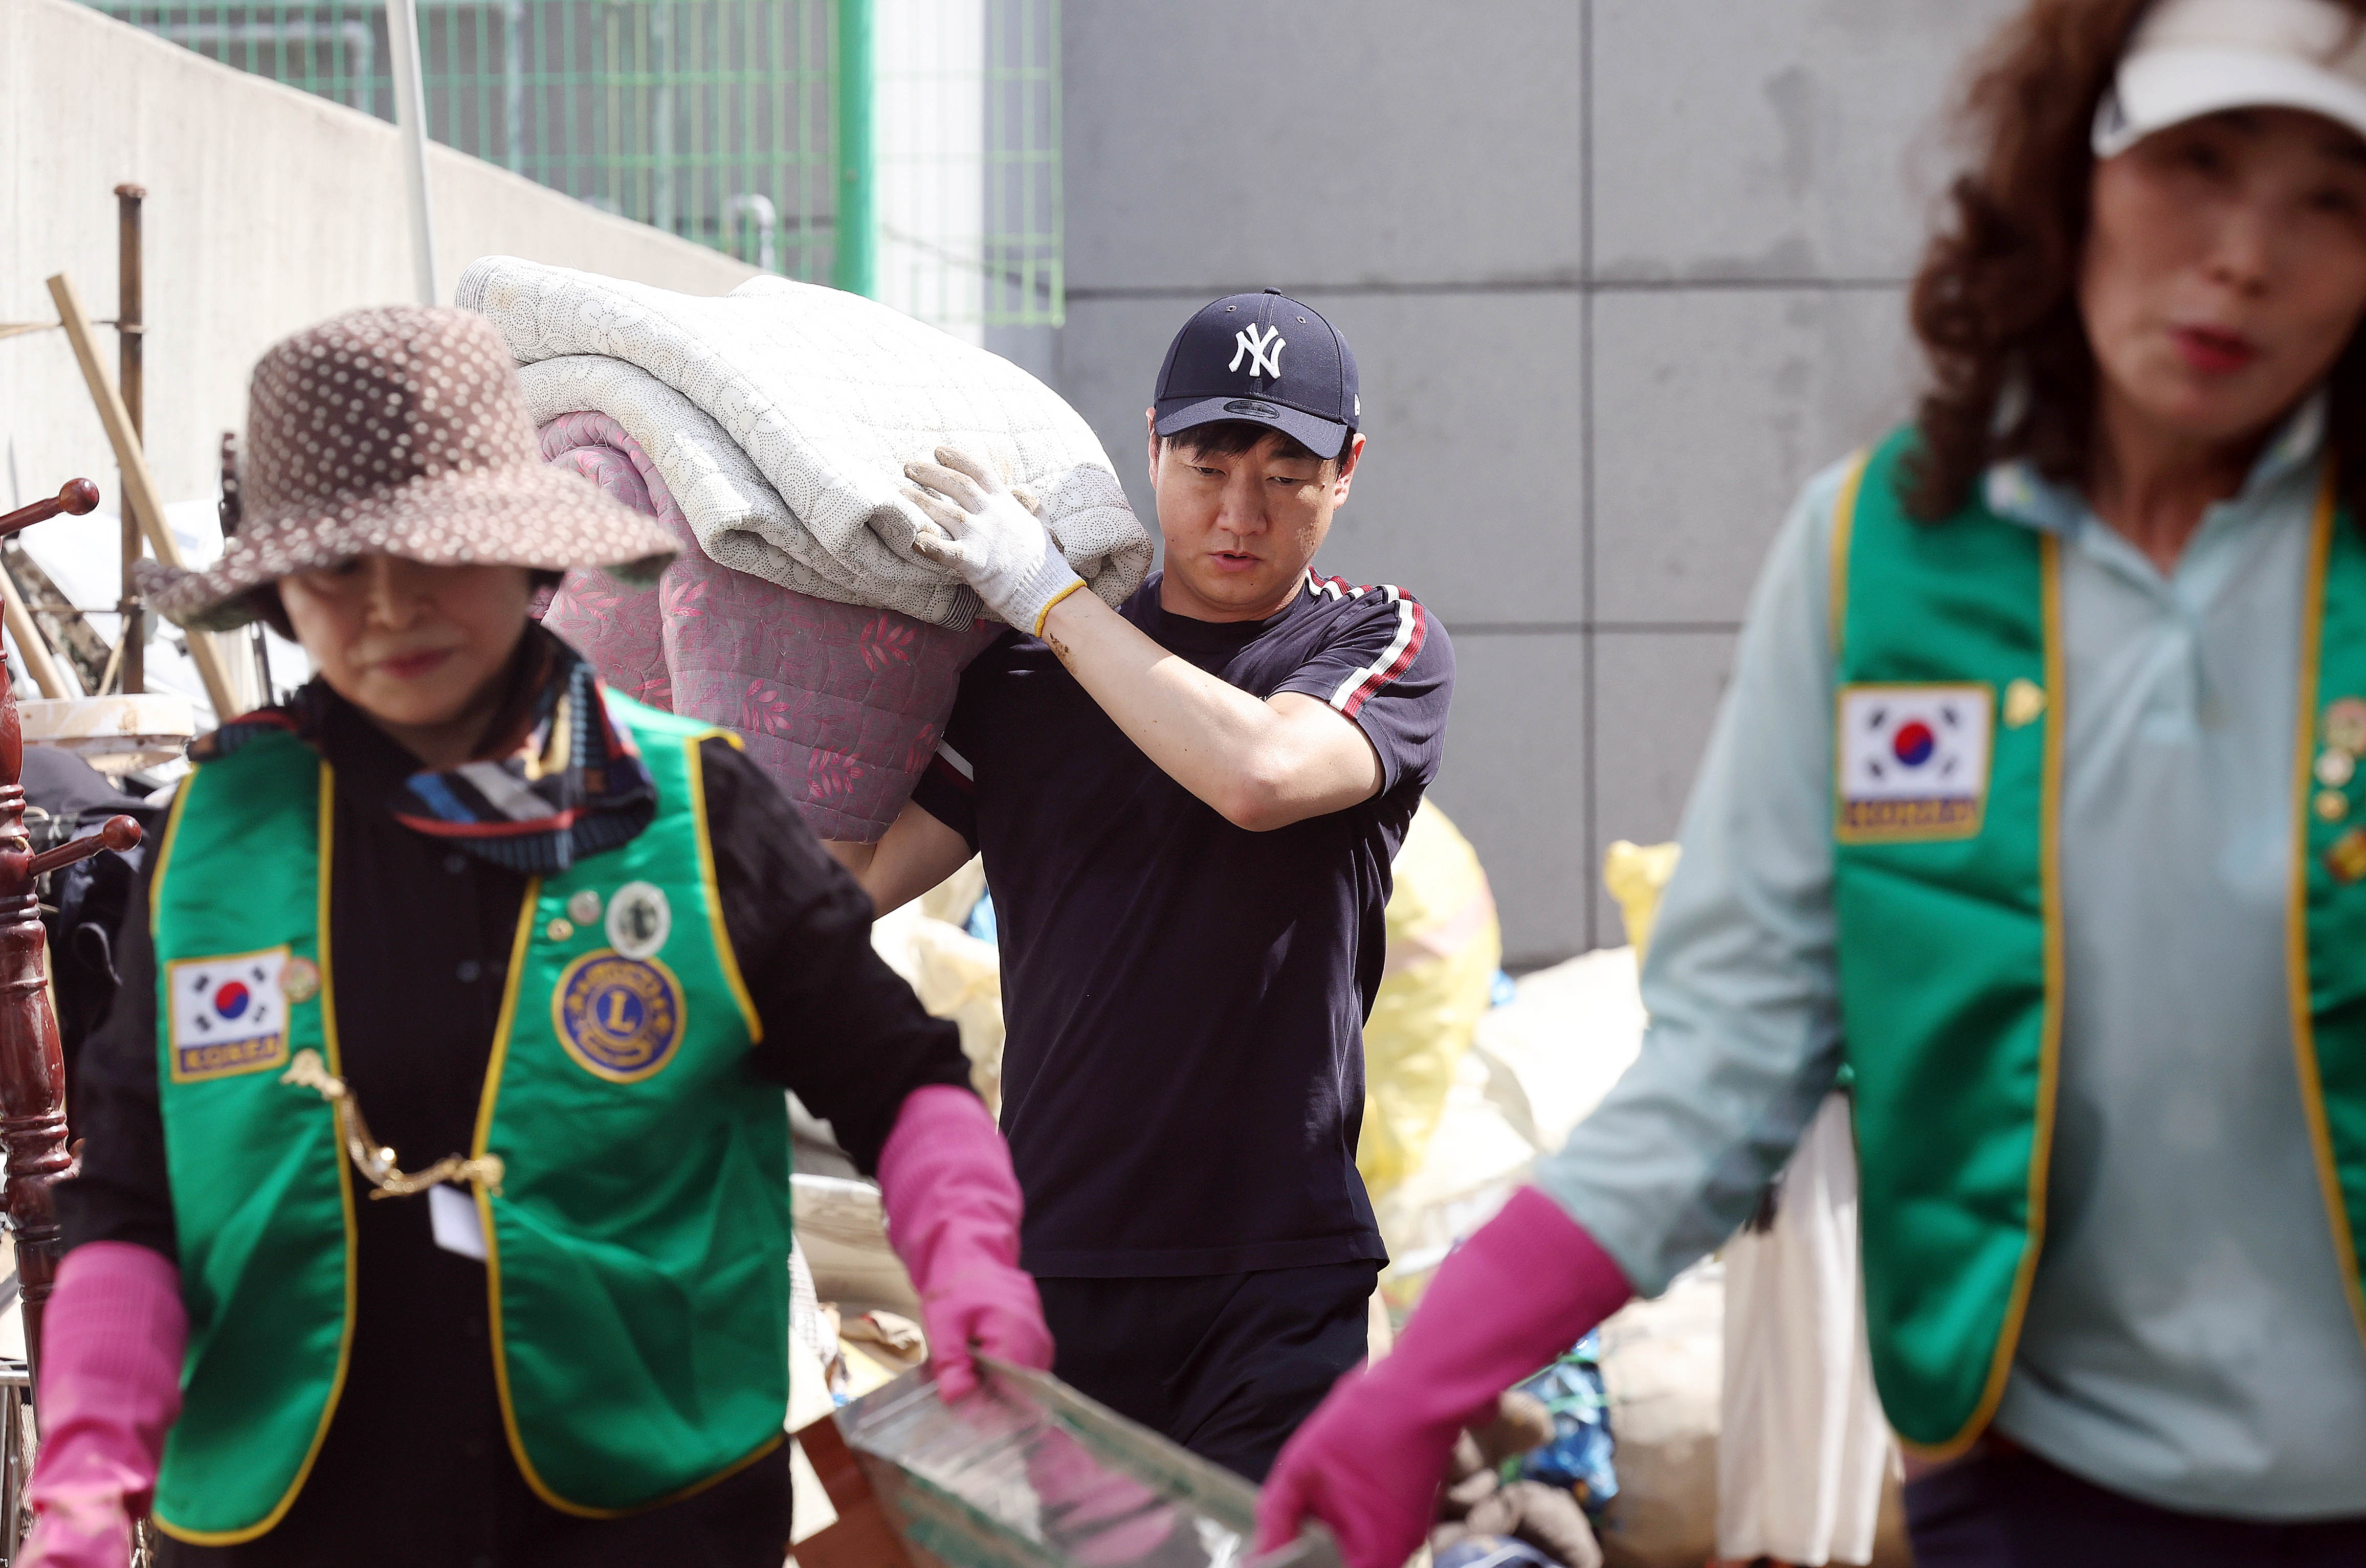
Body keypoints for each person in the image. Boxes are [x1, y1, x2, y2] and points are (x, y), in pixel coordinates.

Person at [1257, 1, 2366, 1563]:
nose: (2247, 256)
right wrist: (1429, 1372)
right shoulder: (1884, 564)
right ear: (2076, 168)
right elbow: (1731, 1055)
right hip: (2024, 1486)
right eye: (2200, 160)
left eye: (2336, 197)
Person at [25, 305, 1052, 1568]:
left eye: (436, 552)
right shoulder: (216, 838)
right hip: (284, 1524)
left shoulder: (696, 815)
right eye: (340, 568)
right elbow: (134, 1194)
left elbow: (902, 1084)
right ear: (281, 594)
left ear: (526, 553)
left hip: (641, 1516)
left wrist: (971, 1266)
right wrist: (88, 1473)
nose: (389, 605)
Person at [832, 290, 1455, 1480]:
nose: (1239, 513)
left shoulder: (1375, 640)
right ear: (1154, 446)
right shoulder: (1021, 673)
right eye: (1208, 466)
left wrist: (1052, 601)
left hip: (1280, 1273)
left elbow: (1260, 775)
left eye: (1286, 476)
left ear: (1348, 471)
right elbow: (848, 885)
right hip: (1056, 1262)